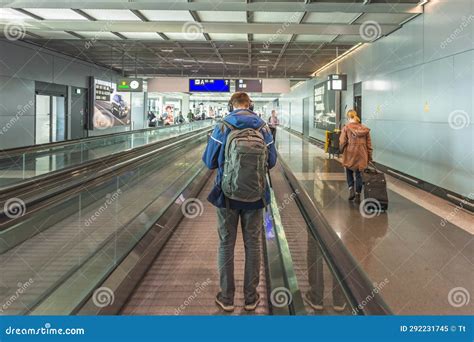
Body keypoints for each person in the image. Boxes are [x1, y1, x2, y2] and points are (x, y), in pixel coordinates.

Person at [202, 92, 277, 312]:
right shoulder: (263, 128)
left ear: (230, 106)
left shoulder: (223, 127)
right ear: (250, 105)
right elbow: (271, 162)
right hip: (255, 195)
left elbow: (209, 162)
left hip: (227, 196)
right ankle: (251, 298)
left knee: (226, 244)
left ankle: (226, 298)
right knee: (253, 245)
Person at [339, 110, 373, 201]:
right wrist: (369, 157)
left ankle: (351, 190)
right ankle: (358, 194)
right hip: (362, 155)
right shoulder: (364, 129)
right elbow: (369, 145)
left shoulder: (346, 128)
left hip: (350, 154)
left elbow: (342, 142)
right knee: (359, 175)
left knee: (349, 172)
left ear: (348, 118)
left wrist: (341, 150)